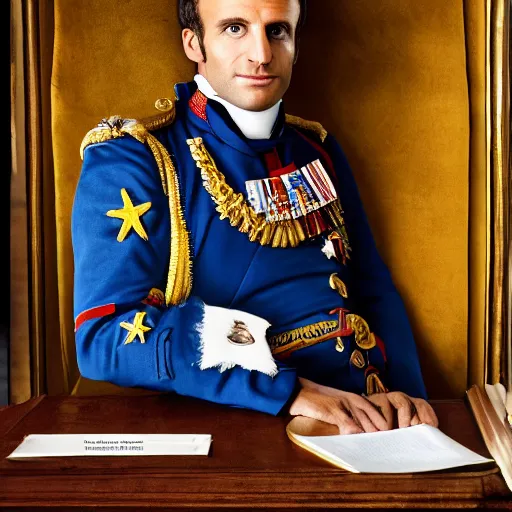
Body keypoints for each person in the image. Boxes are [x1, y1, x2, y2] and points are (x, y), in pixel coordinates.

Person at [72, 0, 438, 435]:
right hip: (242, 422)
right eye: (234, 29)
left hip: (365, 414)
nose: (262, 54)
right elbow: (103, 337)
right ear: (194, 43)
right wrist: (285, 391)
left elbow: (372, 287)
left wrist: (411, 404)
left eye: (278, 31)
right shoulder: (134, 156)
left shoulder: (316, 147)